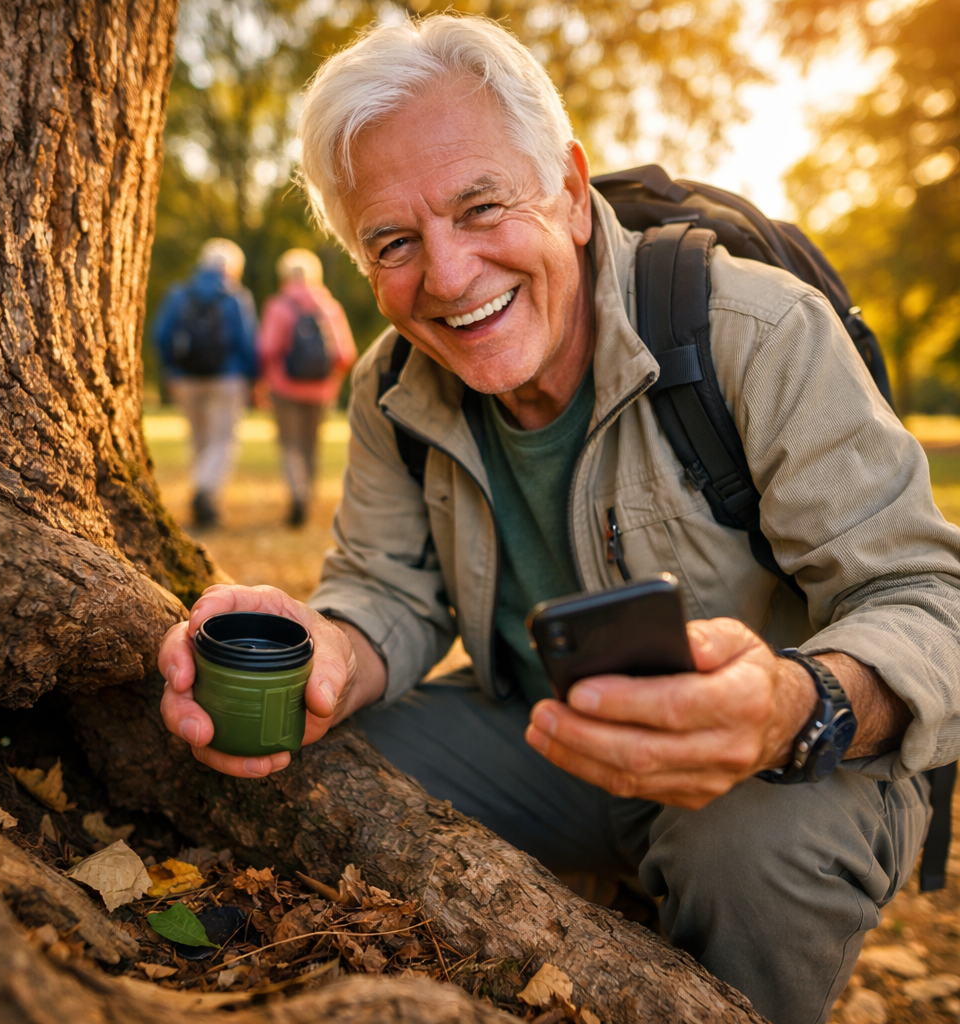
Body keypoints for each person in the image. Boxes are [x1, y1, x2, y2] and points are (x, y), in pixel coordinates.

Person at [157, 16, 960, 1024]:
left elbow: (928, 597)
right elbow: (386, 592)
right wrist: (329, 653)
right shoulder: (391, 387)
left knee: (756, 848)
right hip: (543, 739)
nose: (447, 278)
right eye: (393, 242)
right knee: (320, 769)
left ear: (572, 193)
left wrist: (792, 707)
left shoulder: (755, 331)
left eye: (481, 205)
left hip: (773, 763)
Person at [153, 238, 258, 527]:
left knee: (200, 439)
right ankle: (205, 492)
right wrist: (253, 378)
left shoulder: (178, 294)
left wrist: (171, 369)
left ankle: (204, 497)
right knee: (223, 440)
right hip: (227, 378)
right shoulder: (237, 297)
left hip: (186, 379)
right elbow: (247, 342)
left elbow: (160, 334)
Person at [257, 249, 357, 526]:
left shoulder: (278, 306)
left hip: (284, 388)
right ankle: (307, 497)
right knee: (311, 446)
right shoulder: (329, 306)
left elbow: (267, 348)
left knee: (290, 444)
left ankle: (297, 492)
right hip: (322, 390)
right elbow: (345, 353)